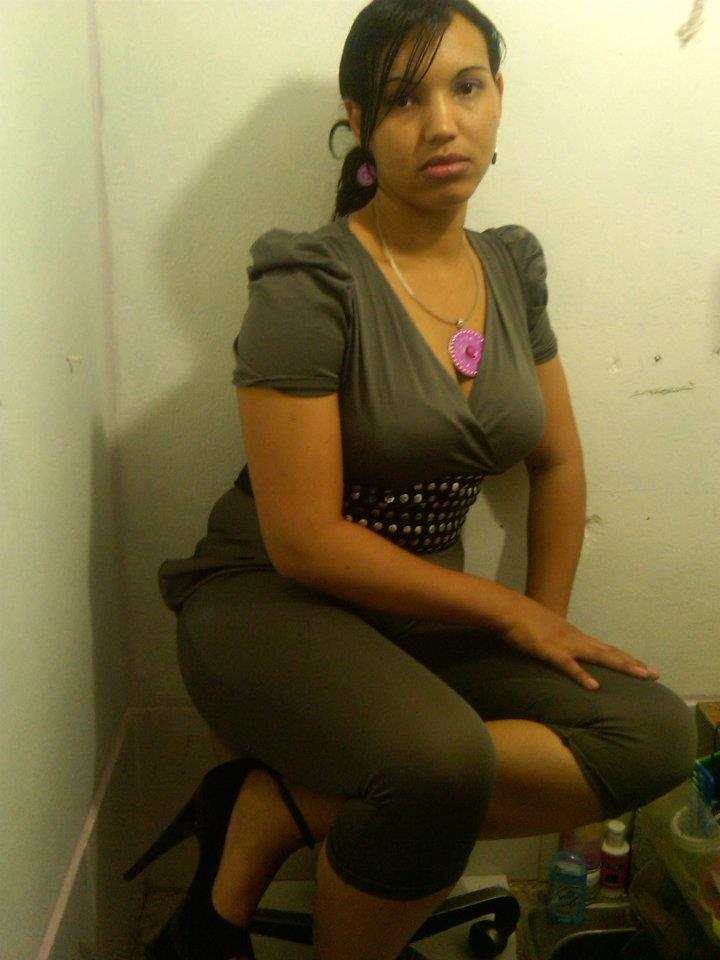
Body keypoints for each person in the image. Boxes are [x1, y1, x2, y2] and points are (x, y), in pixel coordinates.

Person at [126, 2, 697, 958]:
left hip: (425, 610)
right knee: (439, 762)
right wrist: (505, 612)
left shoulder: (510, 267)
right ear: (359, 121)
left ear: (499, 96)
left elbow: (556, 461)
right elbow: (303, 541)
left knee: (654, 733)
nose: (442, 123)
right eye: (402, 100)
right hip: (270, 599)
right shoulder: (309, 279)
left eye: (466, 87)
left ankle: (271, 808)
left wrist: (544, 626)